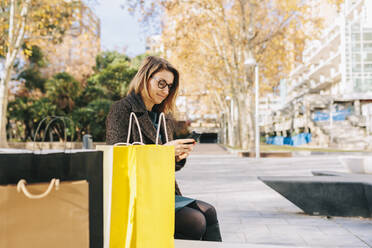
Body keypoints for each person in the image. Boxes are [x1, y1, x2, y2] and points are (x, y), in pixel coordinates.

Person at [105, 56, 222, 241]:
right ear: (145, 78)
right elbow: (117, 158)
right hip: (136, 195)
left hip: (162, 190)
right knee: (196, 221)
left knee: (210, 212)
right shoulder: (122, 109)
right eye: (161, 83)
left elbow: (169, 165)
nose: (166, 90)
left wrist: (178, 157)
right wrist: (164, 151)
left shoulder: (163, 116)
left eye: (169, 86)